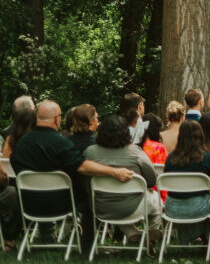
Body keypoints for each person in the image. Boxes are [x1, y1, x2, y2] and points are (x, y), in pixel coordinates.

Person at [11, 101, 134, 244]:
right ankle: (88, 244)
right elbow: (81, 166)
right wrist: (114, 172)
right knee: (89, 196)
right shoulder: (60, 142)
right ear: (57, 119)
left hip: (28, 202)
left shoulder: (21, 143)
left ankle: (47, 238)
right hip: (60, 204)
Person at [84, 114, 161, 240]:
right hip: (132, 206)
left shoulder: (90, 152)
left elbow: (85, 180)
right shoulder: (135, 152)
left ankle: (132, 234)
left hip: (100, 206)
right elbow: (152, 180)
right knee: (155, 199)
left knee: (118, 203)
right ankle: (152, 231)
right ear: (126, 132)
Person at [163, 120, 210, 243]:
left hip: (172, 208)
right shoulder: (208, 158)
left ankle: (192, 236)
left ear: (181, 136)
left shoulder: (170, 158)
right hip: (198, 208)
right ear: (200, 136)